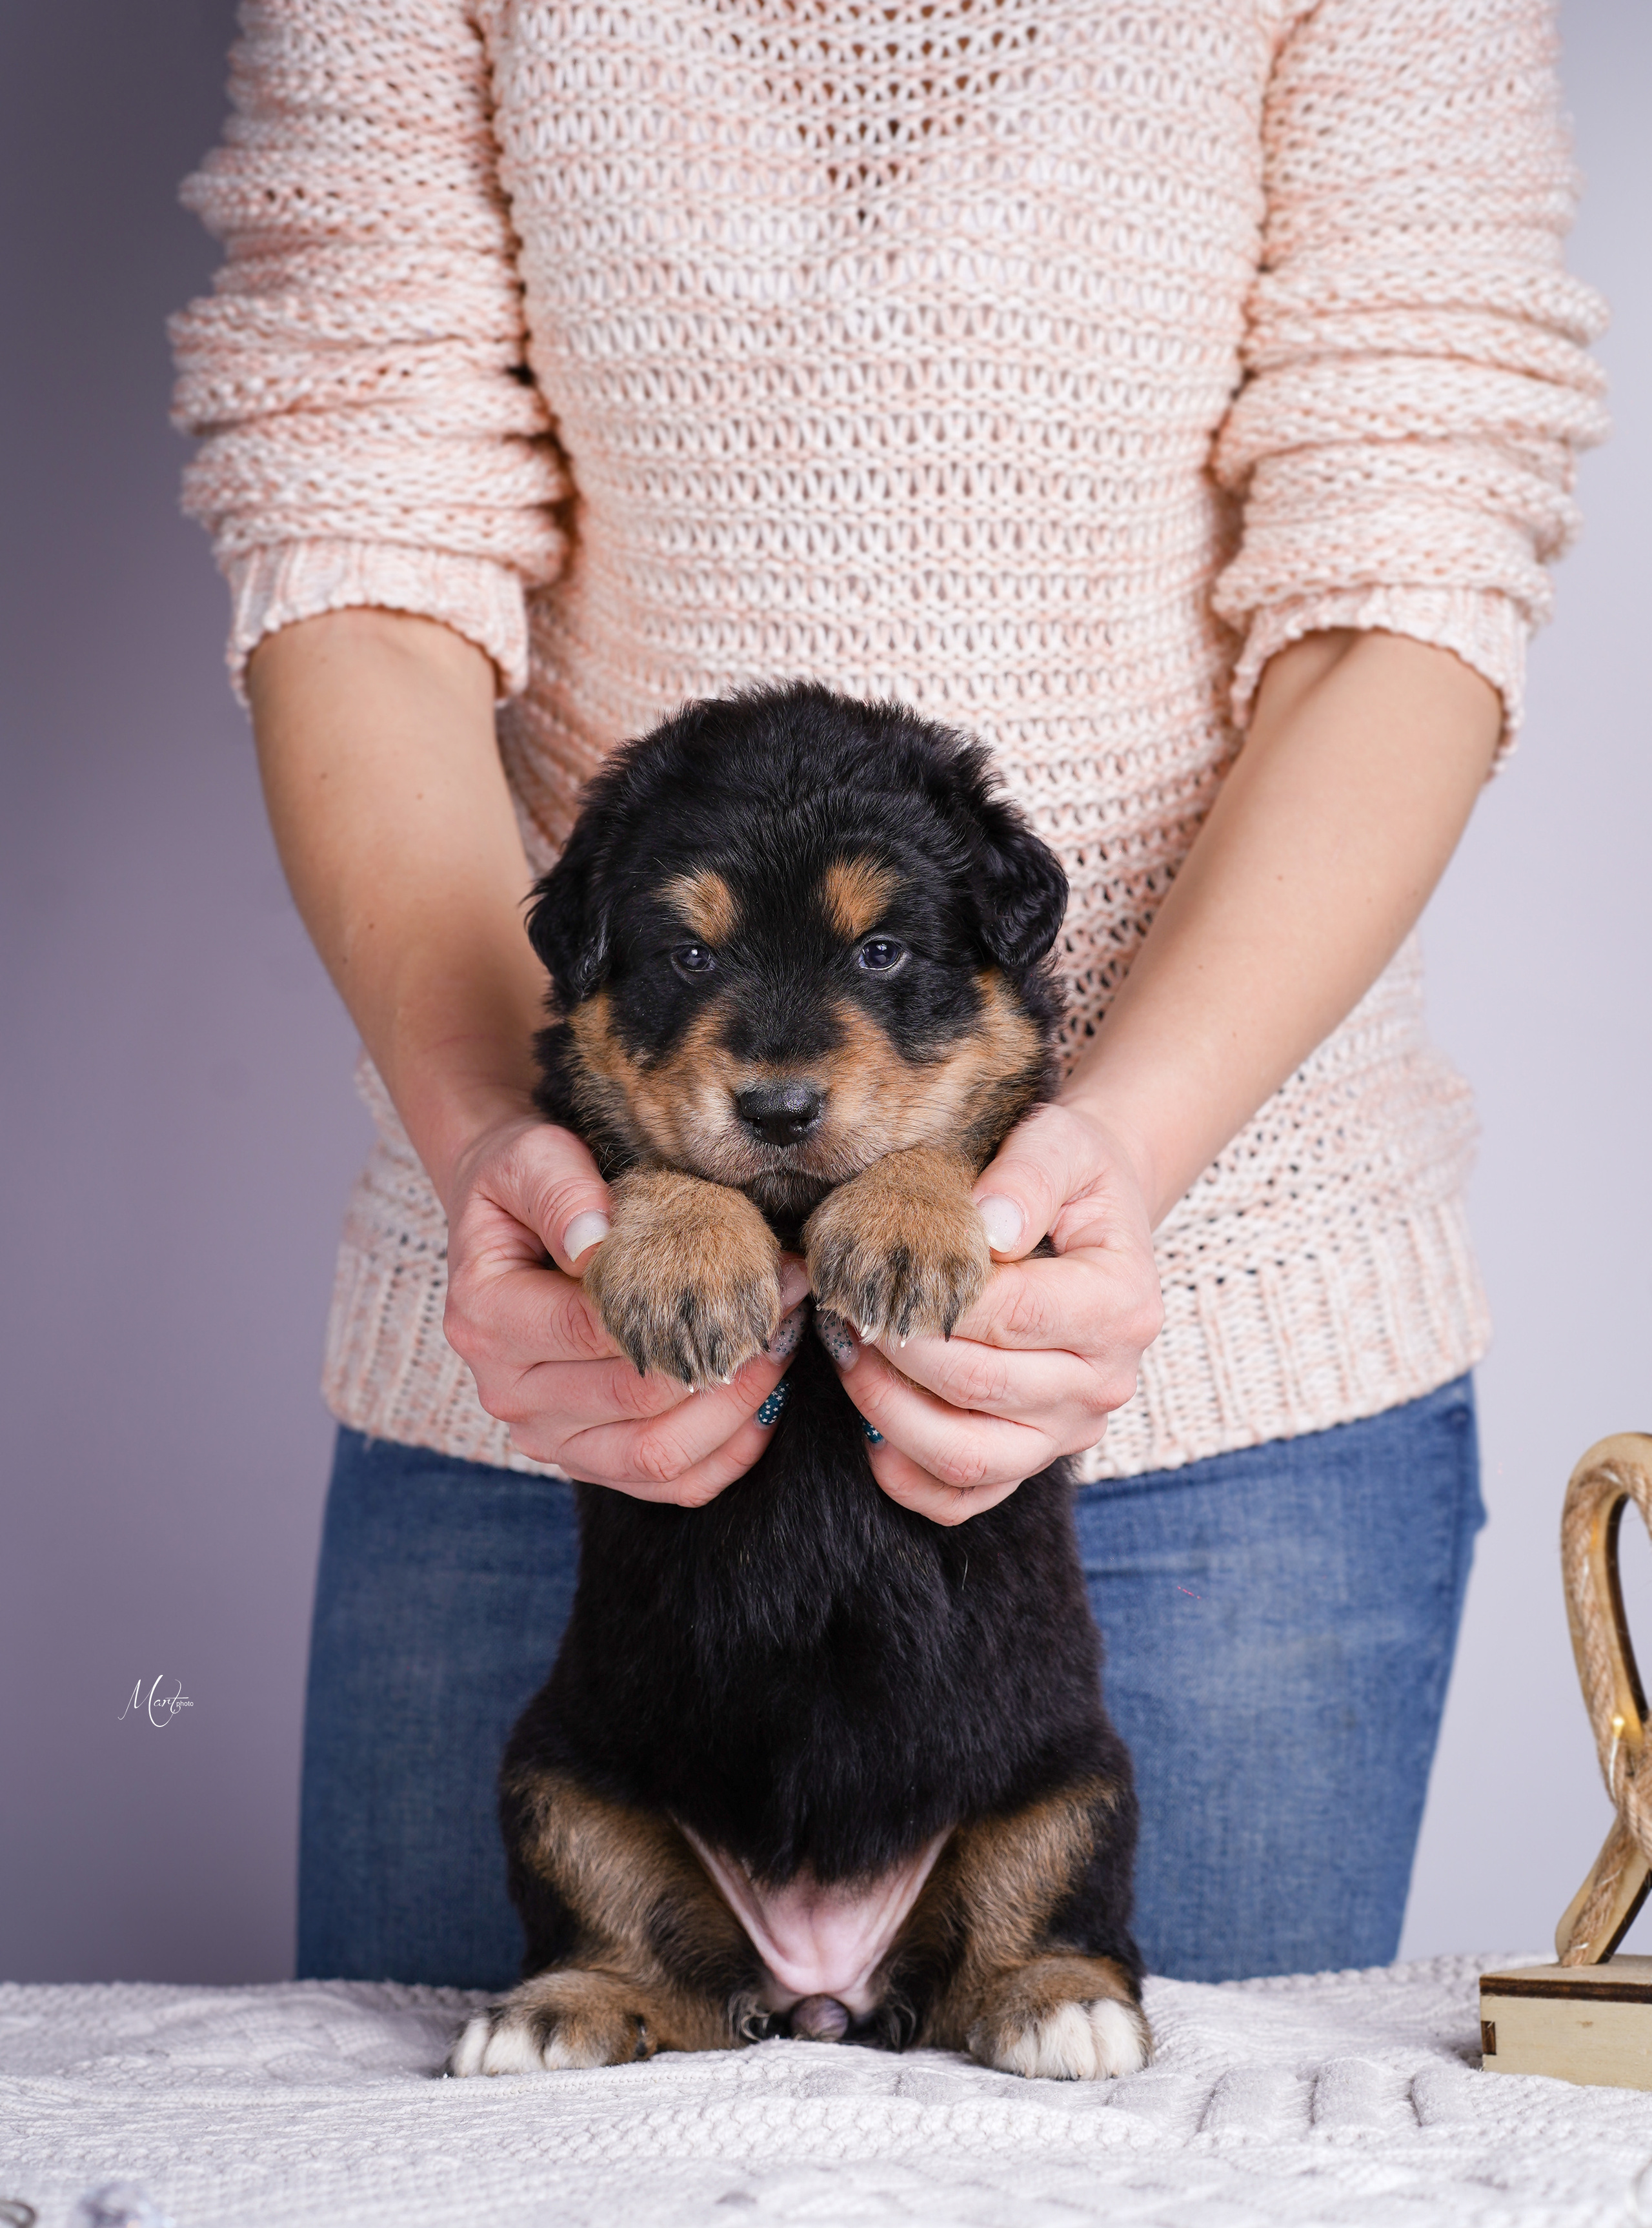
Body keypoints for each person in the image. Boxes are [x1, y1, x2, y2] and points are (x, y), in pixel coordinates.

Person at [171, 0, 1606, 1990]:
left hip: (1225, 1378)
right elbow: (352, 502)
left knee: (1173, 2172)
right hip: (564, 1373)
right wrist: (509, 1158)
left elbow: (1417, 537)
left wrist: (1104, 1163)